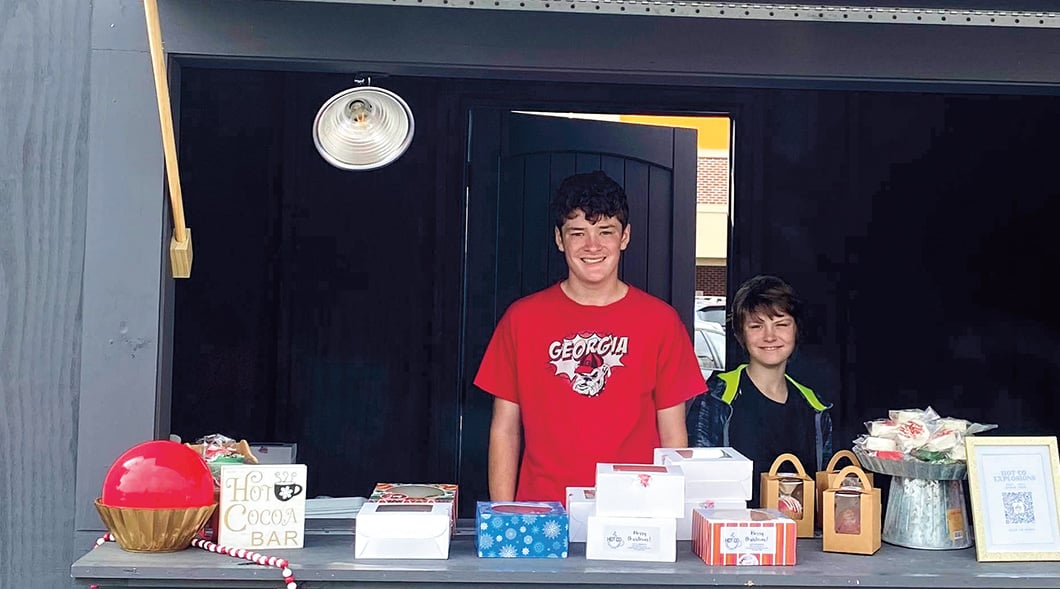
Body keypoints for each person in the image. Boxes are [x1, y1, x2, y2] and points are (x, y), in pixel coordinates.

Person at [474, 170, 706, 504]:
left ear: (624, 237)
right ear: (559, 239)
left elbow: (673, 435)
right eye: (578, 233)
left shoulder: (661, 321)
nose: (592, 246)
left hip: (634, 513)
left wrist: (673, 516)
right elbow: (505, 429)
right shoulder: (522, 319)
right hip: (543, 513)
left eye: (605, 231)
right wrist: (504, 511)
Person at [686, 275, 833, 506]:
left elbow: (822, 491)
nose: (770, 336)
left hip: (800, 538)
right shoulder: (716, 397)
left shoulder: (814, 406)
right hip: (734, 534)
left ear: (796, 330)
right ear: (740, 334)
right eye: (756, 326)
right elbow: (699, 482)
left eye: (781, 324)